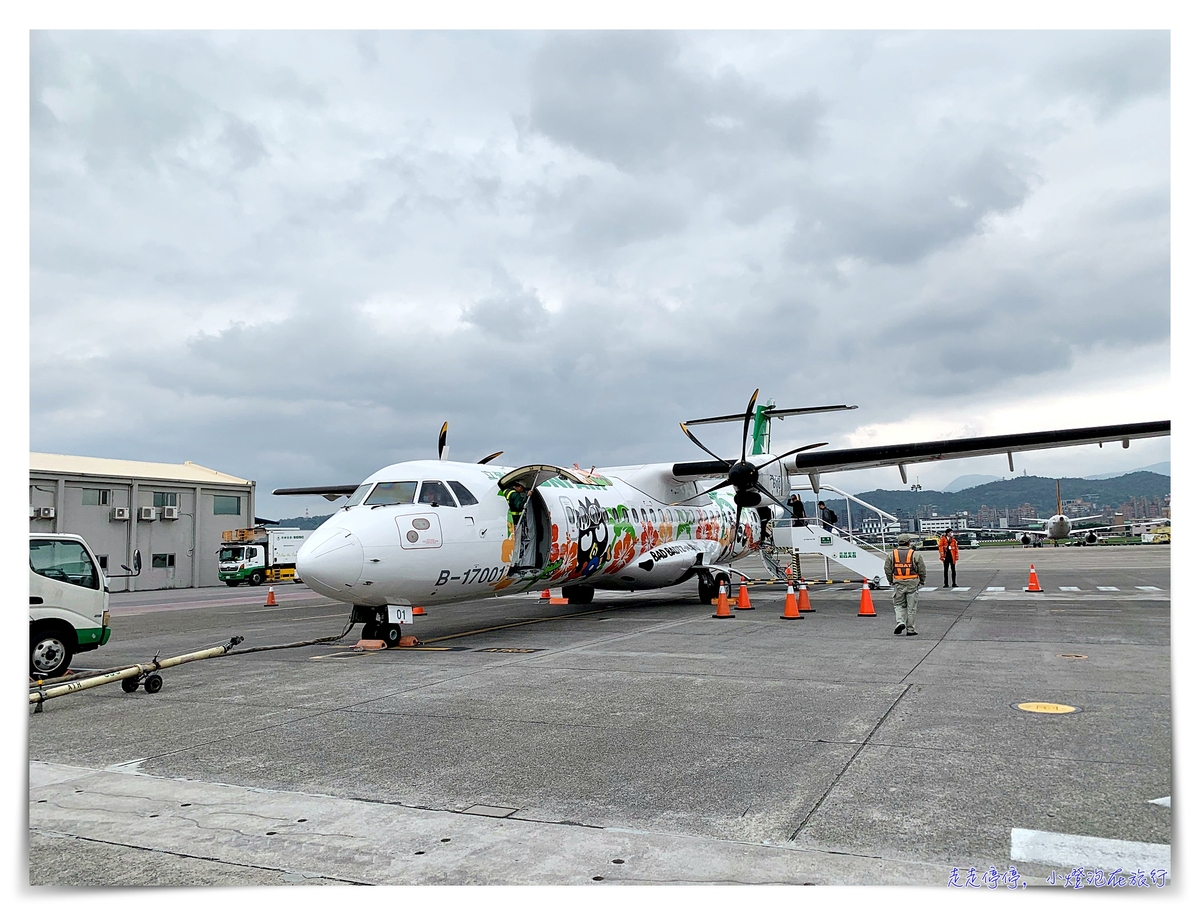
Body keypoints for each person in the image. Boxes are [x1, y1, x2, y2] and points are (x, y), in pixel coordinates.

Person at [884, 533, 926, 636]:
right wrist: (922, 580)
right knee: (911, 608)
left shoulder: (892, 554)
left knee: (898, 605)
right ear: (909, 542)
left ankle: (900, 622)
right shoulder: (915, 554)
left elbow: (887, 569)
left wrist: (890, 580)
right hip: (912, 583)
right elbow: (922, 569)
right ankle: (910, 629)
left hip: (898, 583)